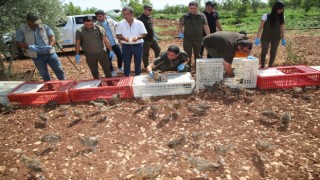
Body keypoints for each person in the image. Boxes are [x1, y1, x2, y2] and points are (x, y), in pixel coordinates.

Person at [16, 13, 65, 81]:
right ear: (29, 21)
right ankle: (50, 88)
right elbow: (18, 42)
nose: (36, 24)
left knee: (59, 69)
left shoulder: (45, 27)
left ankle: (64, 84)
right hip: (37, 56)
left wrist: (50, 46)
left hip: (50, 53)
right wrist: (29, 47)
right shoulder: (22, 30)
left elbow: (53, 38)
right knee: (44, 74)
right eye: (34, 22)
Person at [116, 6, 147, 76]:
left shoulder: (139, 23)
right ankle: (127, 77)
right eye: (123, 14)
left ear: (132, 14)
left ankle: (138, 75)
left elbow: (144, 34)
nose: (125, 16)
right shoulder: (120, 23)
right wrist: (124, 39)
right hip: (126, 46)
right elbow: (118, 35)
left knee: (138, 62)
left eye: (127, 14)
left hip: (138, 45)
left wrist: (137, 37)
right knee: (126, 62)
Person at [178, 1, 210, 70]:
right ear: (188, 8)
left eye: (195, 8)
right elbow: (180, 25)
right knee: (187, 55)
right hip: (187, 39)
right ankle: (188, 68)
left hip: (198, 39)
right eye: (191, 8)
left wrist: (208, 36)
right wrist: (180, 33)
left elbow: (206, 26)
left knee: (197, 54)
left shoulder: (202, 15)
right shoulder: (185, 16)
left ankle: (198, 68)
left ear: (197, 8)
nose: (193, 10)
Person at [255, 1, 286, 68]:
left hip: (276, 37)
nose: (281, 10)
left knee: (273, 52)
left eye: (282, 9)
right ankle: (262, 65)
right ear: (276, 8)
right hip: (265, 37)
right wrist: (257, 37)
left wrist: (283, 38)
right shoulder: (266, 16)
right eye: (280, 9)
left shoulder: (282, 17)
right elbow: (260, 27)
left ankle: (270, 66)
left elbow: (282, 28)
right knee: (264, 51)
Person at [95, 10, 124, 77]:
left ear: (104, 15)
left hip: (115, 42)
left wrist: (120, 39)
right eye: (97, 17)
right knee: (108, 59)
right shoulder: (96, 25)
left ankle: (120, 67)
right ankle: (112, 70)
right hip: (106, 45)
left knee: (120, 56)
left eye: (100, 16)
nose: (98, 18)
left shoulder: (111, 21)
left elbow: (118, 27)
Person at [137, 4, 161, 69]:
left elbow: (151, 27)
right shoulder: (139, 19)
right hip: (145, 40)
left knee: (158, 50)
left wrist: (154, 34)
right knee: (145, 53)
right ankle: (146, 66)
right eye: (149, 10)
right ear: (144, 10)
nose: (150, 11)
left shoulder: (150, 17)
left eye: (151, 10)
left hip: (152, 38)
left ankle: (157, 63)